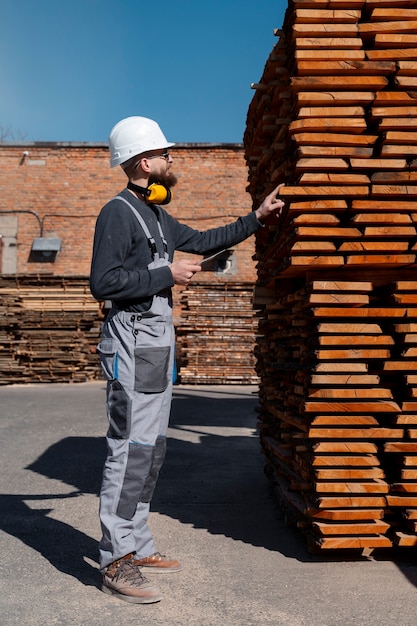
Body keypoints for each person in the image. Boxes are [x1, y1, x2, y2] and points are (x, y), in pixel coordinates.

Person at [89, 115, 284, 604]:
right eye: (164, 153)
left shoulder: (156, 213)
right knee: (128, 449)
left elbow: (202, 240)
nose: (171, 160)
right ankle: (115, 559)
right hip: (131, 343)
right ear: (142, 160)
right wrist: (166, 274)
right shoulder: (117, 213)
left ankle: (137, 544)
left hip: (155, 342)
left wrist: (256, 218)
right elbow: (103, 283)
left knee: (151, 448)